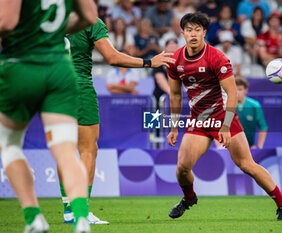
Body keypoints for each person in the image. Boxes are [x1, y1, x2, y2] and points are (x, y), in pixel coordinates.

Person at [166, 12, 282, 221]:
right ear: (183, 33)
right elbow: (175, 94)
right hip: (198, 121)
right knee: (182, 168)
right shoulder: (175, 60)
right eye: (189, 30)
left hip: (223, 117)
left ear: (204, 32)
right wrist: (173, 127)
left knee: (246, 165)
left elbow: (232, 92)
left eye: (198, 30)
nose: (193, 34)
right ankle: (189, 198)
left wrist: (225, 126)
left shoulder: (217, 57)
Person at [60, 15, 175, 224]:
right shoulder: (90, 20)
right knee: (88, 150)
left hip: (52, 89)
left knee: (64, 149)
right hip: (77, 87)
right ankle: (81, 210)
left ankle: (68, 208)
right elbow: (112, 57)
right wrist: (149, 62)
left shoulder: (48, 16)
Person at [0, 0, 97, 232]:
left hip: (21, 65)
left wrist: (31, 29)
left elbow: (6, 22)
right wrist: (52, 30)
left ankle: (33, 216)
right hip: (60, 69)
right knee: (65, 150)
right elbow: (90, 17)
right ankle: (81, 217)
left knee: (10, 145)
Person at [235, 77, 267, 148]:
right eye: (234, 89)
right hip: (229, 149)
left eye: (240, 89)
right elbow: (217, 127)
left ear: (246, 90)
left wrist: (259, 147)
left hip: (249, 148)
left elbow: (263, 127)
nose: (237, 92)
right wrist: (220, 147)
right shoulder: (225, 105)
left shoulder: (255, 105)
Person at [153, 39, 179, 107]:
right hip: (161, 98)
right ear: (165, 48)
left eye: (175, 48)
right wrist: (172, 94)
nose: (173, 50)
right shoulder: (159, 62)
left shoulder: (182, 64)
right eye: (171, 48)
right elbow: (160, 79)